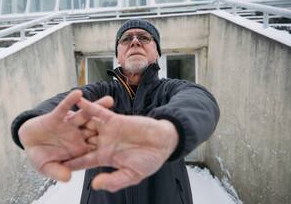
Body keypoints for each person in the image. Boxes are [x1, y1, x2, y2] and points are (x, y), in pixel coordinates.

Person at [11, 19, 220, 204]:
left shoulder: (172, 89)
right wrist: (36, 120)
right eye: (126, 38)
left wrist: (169, 130)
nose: (135, 41)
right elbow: (63, 102)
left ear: (157, 54)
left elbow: (200, 100)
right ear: (118, 56)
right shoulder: (101, 92)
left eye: (145, 38)